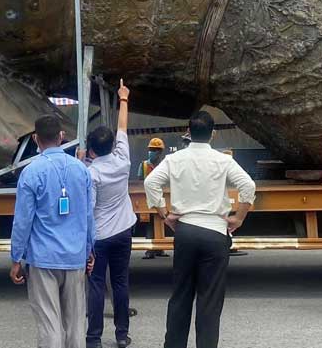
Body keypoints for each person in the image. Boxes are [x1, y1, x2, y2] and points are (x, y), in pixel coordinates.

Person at [144, 110, 256, 348]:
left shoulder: (174, 160)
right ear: (213, 134)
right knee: (210, 302)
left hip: (185, 231)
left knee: (180, 297)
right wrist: (239, 217)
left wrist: (164, 214)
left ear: (188, 132)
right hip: (215, 233)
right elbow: (248, 185)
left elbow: (151, 182)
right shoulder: (223, 160)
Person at [11, 114, 96, 348]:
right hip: (75, 257)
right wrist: (89, 250)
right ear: (61, 136)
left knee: (49, 325)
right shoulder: (81, 170)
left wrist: (16, 257)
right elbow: (89, 215)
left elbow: (23, 221)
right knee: (76, 324)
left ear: (35, 139)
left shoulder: (30, 173)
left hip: (43, 258)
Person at [84, 79, 136, 348]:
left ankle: (94, 338)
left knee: (95, 286)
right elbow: (123, 127)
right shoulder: (123, 160)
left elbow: (89, 210)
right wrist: (123, 98)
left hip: (100, 236)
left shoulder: (91, 174)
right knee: (120, 283)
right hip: (124, 230)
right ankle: (121, 334)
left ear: (91, 150)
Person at [137, 137, 167, 260]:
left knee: (161, 221)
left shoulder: (165, 165)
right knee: (149, 223)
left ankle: (160, 249)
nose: (151, 152)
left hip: (162, 196)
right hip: (147, 198)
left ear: (160, 152)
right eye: (150, 149)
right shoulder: (144, 165)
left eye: (154, 150)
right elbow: (138, 182)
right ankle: (150, 249)